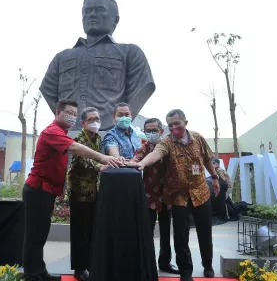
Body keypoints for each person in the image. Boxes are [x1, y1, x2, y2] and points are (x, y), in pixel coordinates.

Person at [39, 0, 156, 132]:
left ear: (115, 20)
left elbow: (142, 88)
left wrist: (117, 125)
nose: (92, 14)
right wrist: (67, 121)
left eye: (99, 10)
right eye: (87, 11)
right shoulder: (61, 57)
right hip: (68, 137)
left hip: (111, 136)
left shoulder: (130, 53)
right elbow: (48, 90)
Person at [22, 100, 122, 281]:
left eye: (74, 114)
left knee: (41, 233)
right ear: (58, 113)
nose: (72, 116)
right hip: (38, 189)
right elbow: (75, 149)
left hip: (48, 190)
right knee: (34, 235)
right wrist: (103, 159)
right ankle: (31, 274)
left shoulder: (63, 132)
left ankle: (39, 271)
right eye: (69, 112)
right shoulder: (52, 132)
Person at [133, 109, 220, 281]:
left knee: (205, 232)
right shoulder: (166, 143)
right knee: (181, 238)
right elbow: (155, 154)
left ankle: (208, 265)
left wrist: (215, 177)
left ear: (185, 123)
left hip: (201, 192)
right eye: (171, 125)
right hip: (178, 197)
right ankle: (185, 273)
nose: (174, 128)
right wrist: (142, 163)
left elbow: (207, 160)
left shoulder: (198, 138)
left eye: (177, 124)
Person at [131, 118, 179, 275]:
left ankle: (165, 263)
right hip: (149, 195)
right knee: (147, 232)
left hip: (168, 196)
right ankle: (147, 264)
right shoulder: (144, 148)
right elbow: (136, 159)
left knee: (166, 232)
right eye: (148, 131)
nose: (151, 133)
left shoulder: (169, 145)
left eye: (154, 130)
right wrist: (128, 163)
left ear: (161, 131)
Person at [66, 107, 108, 281]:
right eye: (91, 119)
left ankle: (90, 264)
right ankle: (79, 268)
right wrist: (100, 166)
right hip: (79, 191)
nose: (95, 122)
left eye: (97, 119)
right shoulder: (78, 139)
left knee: (92, 230)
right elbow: (83, 160)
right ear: (83, 123)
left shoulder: (98, 138)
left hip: (94, 191)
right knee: (80, 231)